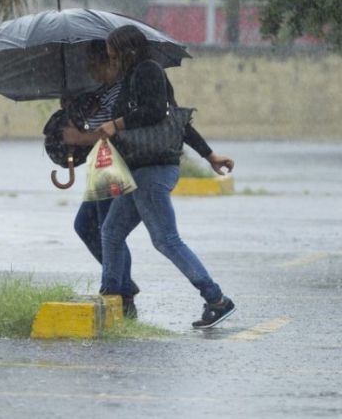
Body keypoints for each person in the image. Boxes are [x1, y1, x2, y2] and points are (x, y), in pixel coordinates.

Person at [95, 25, 237, 329]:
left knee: (166, 240)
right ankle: (110, 297)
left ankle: (217, 299)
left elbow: (158, 113)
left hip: (154, 168)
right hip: (140, 169)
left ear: (127, 50)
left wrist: (116, 124)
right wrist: (210, 155)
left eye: (114, 54)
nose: (111, 60)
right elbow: (178, 121)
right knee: (111, 231)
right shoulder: (132, 79)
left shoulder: (148, 71)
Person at [58, 40, 140, 317]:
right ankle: (122, 282)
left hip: (114, 166)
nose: (91, 72)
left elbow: (108, 132)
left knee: (109, 231)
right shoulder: (103, 92)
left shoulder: (120, 92)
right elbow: (95, 125)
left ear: (111, 62)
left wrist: (78, 137)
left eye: (95, 65)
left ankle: (122, 290)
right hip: (102, 166)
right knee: (87, 225)